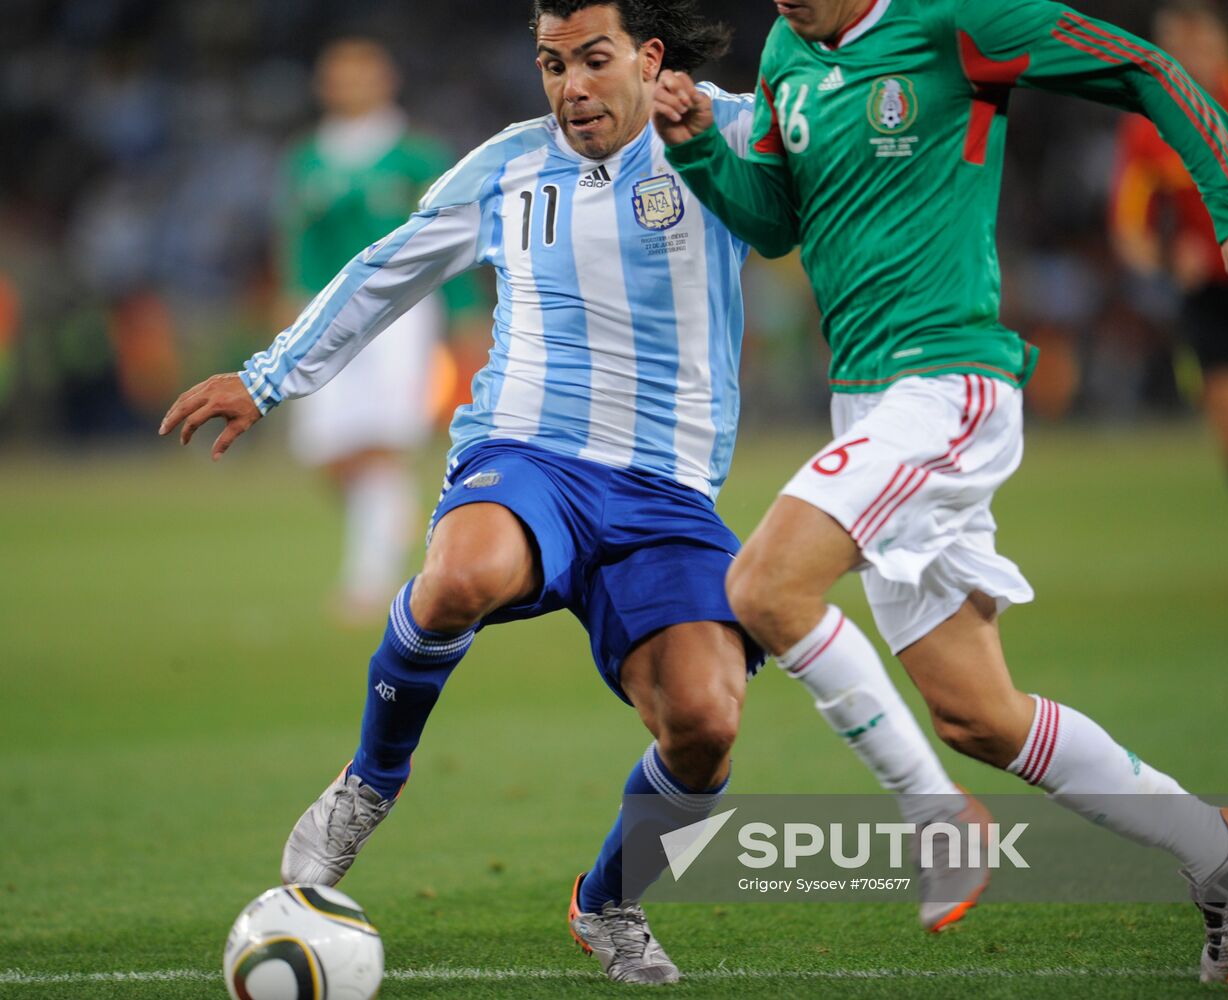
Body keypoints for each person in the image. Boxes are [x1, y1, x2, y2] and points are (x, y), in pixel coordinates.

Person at [161, 0, 1002, 980]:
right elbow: (387, 268)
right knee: (462, 571)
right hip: (530, 450)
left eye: (593, 60)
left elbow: (855, 177)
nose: (571, 88)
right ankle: (369, 781)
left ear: (647, 57)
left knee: (706, 725)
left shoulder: (729, 128)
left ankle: (608, 901)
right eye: (551, 64)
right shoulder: (510, 165)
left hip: (670, 491)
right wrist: (267, 377)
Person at [652, 0, 1228, 984]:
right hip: (865, 402)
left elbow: (1140, 66)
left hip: (947, 381)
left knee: (766, 588)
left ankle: (937, 819)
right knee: (978, 715)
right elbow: (775, 217)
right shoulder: (786, 49)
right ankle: (1215, 842)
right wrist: (696, 150)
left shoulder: (960, 19)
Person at [277, 38, 485, 623]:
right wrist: (291, 303)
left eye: (361, 75)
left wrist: (464, 309)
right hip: (324, 313)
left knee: (384, 440)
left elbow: (452, 236)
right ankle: (392, 525)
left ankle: (369, 581)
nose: (350, 86)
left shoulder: (416, 155)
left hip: (403, 314)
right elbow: (298, 242)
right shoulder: (307, 160)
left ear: (385, 80)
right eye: (339, 76)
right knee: (325, 449)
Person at [1111, 0, 1228, 547]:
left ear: (1222, 45)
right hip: (1208, 296)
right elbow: (1128, 231)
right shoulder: (1147, 130)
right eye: (1176, 52)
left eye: (1199, 46)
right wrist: (1165, 258)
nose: (1191, 60)